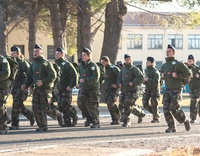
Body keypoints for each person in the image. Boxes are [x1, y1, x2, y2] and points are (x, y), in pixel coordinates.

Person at [21, 44, 63, 131]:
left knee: (46, 108)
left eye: (37, 51)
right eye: (34, 51)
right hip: (37, 89)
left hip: (46, 89)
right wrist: (26, 84)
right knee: (36, 108)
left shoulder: (46, 63)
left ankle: (58, 114)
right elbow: (29, 77)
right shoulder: (33, 64)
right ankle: (42, 126)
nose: (35, 53)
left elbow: (53, 75)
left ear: (41, 52)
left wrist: (43, 82)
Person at [161, 44, 191, 133]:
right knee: (165, 109)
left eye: (169, 51)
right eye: (166, 51)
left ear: (174, 53)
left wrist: (178, 75)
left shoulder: (179, 64)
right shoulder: (164, 65)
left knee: (174, 108)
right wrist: (162, 76)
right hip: (167, 90)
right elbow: (163, 75)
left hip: (176, 89)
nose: (167, 53)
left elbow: (188, 73)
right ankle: (171, 127)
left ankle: (185, 119)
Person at [9, 46, 35, 130]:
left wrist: (29, 86)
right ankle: (30, 115)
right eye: (11, 53)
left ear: (18, 54)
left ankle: (15, 124)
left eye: (14, 53)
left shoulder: (23, 63)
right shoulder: (11, 63)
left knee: (15, 105)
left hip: (22, 88)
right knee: (19, 106)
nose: (12, 54)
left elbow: (30, 75)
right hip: (14, 88)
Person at [118, 54, 145, 127]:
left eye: (128, 59)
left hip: (133, 90)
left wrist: (133, 82)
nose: (127, 60)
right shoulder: (123, 69)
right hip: (124, 90)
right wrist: (119, 83)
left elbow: (141, 77)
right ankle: (140, 114)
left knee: (127, 104)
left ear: (131, 60)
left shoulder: (134, 69)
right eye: (126, 59)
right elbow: (119, 78)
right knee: (121, 105)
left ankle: (127, 121)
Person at [77, 47, 100, 128]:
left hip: (92, 88)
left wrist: (85, 80)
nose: (83, 56)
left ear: (89, 56)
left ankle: (96, 122)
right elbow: (80, 76)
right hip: (84, 88)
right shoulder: (81, 65)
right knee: (80, 103)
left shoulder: (93, 65)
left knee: (92, 105)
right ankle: (88, 118)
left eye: (84, 55)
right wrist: (79, 83)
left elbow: (96, 77)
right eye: (82, 55)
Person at [55, 47, 78, 127]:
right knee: (60, 106)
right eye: (56, 54)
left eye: (58, 54)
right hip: (59, 89)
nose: (56, 55)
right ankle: (67, 122)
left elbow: (74, 75)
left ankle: (74, 115)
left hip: (66, 88)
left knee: (66, 105)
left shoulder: (67, 64)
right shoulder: (56, 65)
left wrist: (71, 86)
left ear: (62, 55)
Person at [100, 56, 120, 125]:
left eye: (104, 62)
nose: (102, 64)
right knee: (109, 105)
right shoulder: (103, 69)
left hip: (114, 89)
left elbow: (120, 77)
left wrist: (117, 84)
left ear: (107, 62)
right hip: (107, 89)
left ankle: (117, 117)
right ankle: (114, 119)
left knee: (110, 102)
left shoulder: (113, 68)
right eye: (101, 62)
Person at [142, 57, 160, 123]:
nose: (146, 63)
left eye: (148, 62)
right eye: (146, 62)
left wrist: (148, 80)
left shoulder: (155, 71)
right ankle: (156, 113)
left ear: (152, 63)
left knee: (154, 104)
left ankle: (156, 118)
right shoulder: (146, 70)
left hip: (154, 90)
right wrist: (144, 81)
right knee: (145, 103)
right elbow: (145, 79)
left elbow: (156, 82)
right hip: (148, 89)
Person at [187, 54, 200, 123]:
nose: (189, 62)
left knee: (193, 101)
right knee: (198, 104)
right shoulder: (187, 69)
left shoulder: (197, 68)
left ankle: (193, 118)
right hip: (192, 89)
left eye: (191, 61)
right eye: (188, 61)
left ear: (194, 61)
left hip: (198, 88)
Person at [0, 55, 11, 134]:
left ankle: (3, 127)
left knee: (1, 107)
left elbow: (6, 73)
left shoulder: (3, 60)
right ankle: (7, 119)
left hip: (2, 88)